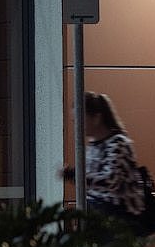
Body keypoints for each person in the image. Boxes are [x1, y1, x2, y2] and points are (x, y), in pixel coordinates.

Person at [61, 92, 147, 232]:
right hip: (100, 215)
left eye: (80, 120)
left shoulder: (118, 144)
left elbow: (111, 181)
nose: (76, 126)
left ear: (96, 118)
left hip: (118, 220)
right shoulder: (93, 144)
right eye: (74, 121)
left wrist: (75, 175)